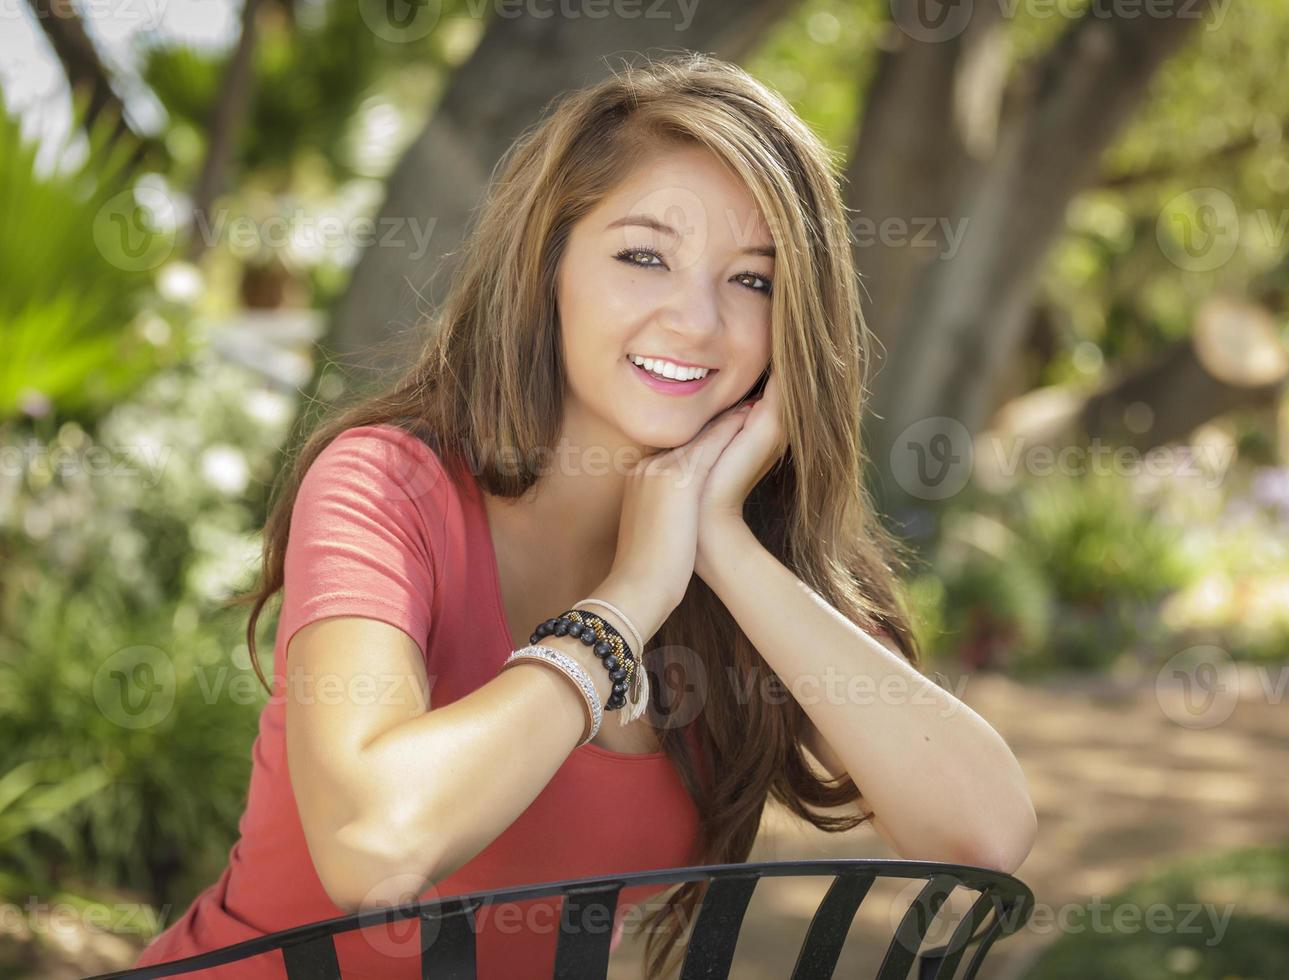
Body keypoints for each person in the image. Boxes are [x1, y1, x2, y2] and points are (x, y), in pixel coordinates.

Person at [130, 52, 1035, 979]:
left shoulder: (739, 572)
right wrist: (629, 601)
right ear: (550, 266)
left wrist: (718, 544)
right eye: (645, 257)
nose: (696, 322)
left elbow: (985, 833)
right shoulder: (387, 487)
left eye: (753, 281)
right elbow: (377, 844)